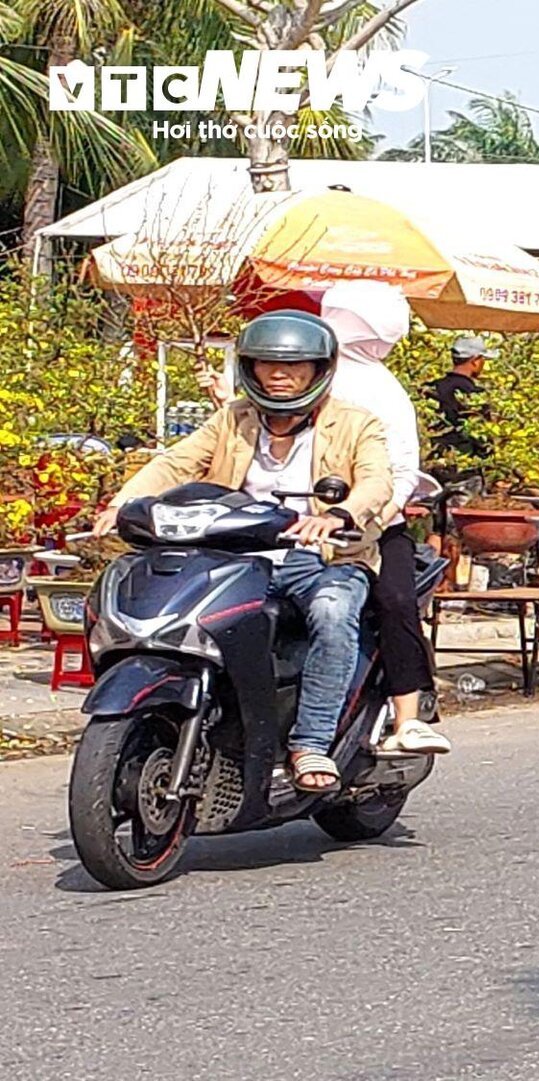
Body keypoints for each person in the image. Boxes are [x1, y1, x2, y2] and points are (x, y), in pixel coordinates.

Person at [94, 311, 392, 794]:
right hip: (235, 556)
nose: (279, 376)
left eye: (294, 367)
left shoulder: (357, 424)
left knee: (333, 613)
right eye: (266, 365)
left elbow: (377, 480)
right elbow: (175, 463)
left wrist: (339, 515)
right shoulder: (231, 418)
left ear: (320, 371)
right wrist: (120, 505)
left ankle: (311, 742)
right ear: (247, 368)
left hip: (320, 555)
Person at [319, 281, 451, 757]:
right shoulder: (295, 372)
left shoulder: (383, 390)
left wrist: (382, 508)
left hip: (370, 527)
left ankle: (408, 718)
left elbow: (399, 468)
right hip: (288, 525)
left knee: (395, 600)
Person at [427, 335, 496, 468]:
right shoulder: (475, 395)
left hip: (433, 461)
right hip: (465, 466)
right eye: (483, 359)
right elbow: (483, 436)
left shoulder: (430, 388)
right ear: (475, 361)